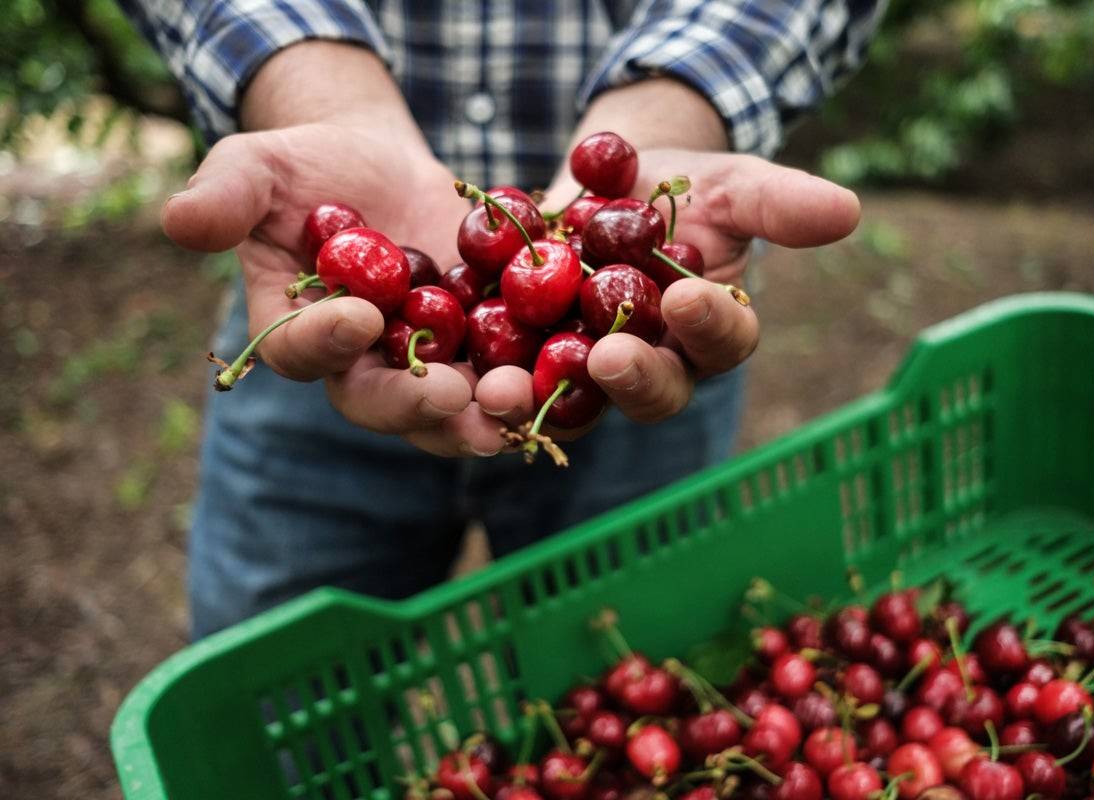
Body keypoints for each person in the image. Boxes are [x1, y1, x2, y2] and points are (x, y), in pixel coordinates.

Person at [119, 0, 881, 638]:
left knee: (626, 655)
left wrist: (681, 104)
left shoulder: (621, 265)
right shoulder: (413, 285)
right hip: (323, 338)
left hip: (645, 362)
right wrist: (313, 89)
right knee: (273, 681)